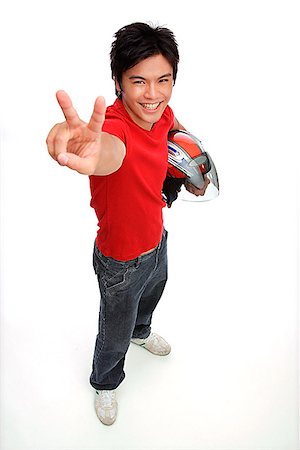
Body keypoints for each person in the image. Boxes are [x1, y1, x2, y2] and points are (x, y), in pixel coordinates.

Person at [46, 22, 207, 426]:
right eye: (139, 82)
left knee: (151, 297)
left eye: (163, 80)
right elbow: (108, 152)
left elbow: (172, 127)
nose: (153, 94)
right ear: (118, 81)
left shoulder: (162, 112)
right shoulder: (113, 129)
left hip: (157, 240)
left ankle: (142, 331)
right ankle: (104, 382)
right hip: (120, 261)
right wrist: (78, 144)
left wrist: (192, 167)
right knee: (112, 335)